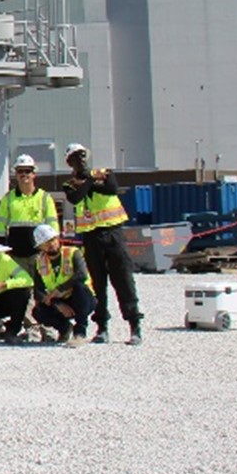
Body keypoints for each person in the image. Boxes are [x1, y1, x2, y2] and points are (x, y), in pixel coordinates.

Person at [62, 143, 143, 345]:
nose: (79, 160)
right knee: (97, 283)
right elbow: (75, 197)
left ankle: (134, 326)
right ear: (69, 162)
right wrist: (90, 180)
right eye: (74, 158)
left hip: (113, 232)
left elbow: (111, 189)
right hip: (90, 236)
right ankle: (102, 327)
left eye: (81, 156)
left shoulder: (105, 173)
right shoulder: (70, 184)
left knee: (123, 279)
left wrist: (89, 180)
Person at [30, 222, 95, 346]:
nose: (51, 244)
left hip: (83, 298)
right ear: (40, 247)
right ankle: (64, 328)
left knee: (79, 288)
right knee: (38, 312)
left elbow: (82, 274)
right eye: (46, 242)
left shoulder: (72, 252)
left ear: (58, 238)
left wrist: (60, 289)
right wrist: (57, 303)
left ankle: (80, 332)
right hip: (60, 300)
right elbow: (38, 290)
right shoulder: (39, 262)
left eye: (52, 240)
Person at [0, 155, 58, 259]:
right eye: (20, 171)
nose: (24, 174)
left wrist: (53, 246)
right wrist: (2, 248)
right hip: (15, 253)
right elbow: (0, 225)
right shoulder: (7, 198)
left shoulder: (44, 197)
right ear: (16, 174)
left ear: (34, 174)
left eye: (27, 171)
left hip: (40, 254)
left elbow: (52, 223)